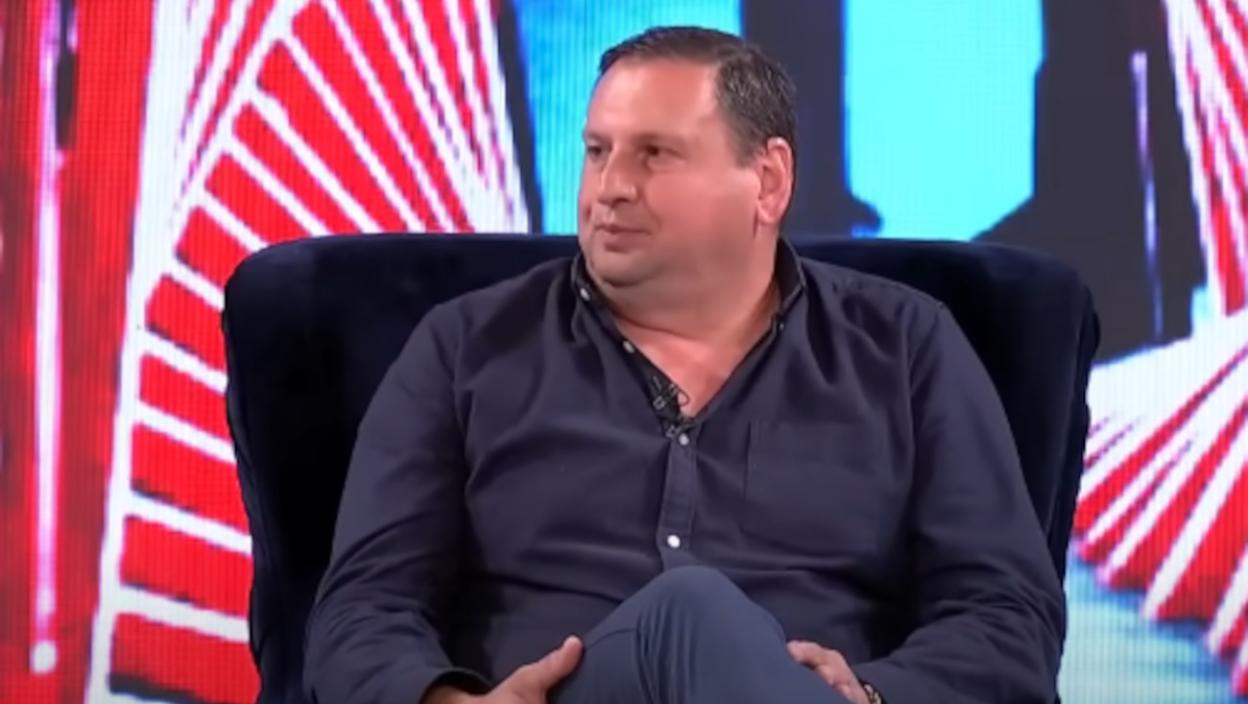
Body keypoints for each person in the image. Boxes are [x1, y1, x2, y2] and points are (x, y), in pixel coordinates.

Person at [304, 26, 1064, 704]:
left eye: (654, 154)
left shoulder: (903, 347)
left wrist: (873, 694)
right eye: (597, 152)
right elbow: (362, 608)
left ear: (768, 181)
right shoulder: (466, 347)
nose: (610, 188)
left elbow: (1006, 616)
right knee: (689, 613)